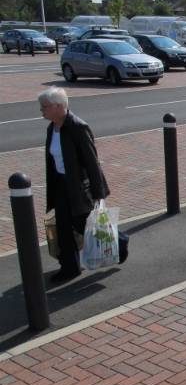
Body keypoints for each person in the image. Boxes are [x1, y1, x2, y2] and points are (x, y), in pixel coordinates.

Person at [39, 87, 109, 283]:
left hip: (79, 188)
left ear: (59, 106)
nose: (41, 110)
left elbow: (91, 162)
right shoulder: (51, 128)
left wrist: (99, 193)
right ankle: (69, 268)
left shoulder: (78, 127)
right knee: (62, 227)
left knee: (86, 226)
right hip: (61, 185)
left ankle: (120, 242)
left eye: (45, 106)